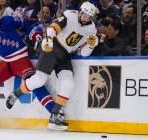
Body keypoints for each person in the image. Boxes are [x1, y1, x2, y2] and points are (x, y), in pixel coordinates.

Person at [6, 1, 98, 130]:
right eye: (85, 15)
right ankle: (16, 94)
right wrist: (48, 39)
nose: (86, 18)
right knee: (39, 80)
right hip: (52, 47)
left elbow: (84, 54)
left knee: (69, 83)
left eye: (89, 17)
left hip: (65, 54)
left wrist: (91, 45)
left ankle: (55, 115)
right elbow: (52, 27)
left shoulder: (92, 29)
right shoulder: (70, 15)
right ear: (80, 12)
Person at [0, 11, 54, 127]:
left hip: (20, 59)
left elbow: (25, 26)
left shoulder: (8, 20)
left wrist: (33, 33)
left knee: (34, 84)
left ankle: (54, 113)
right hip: (5, 62)